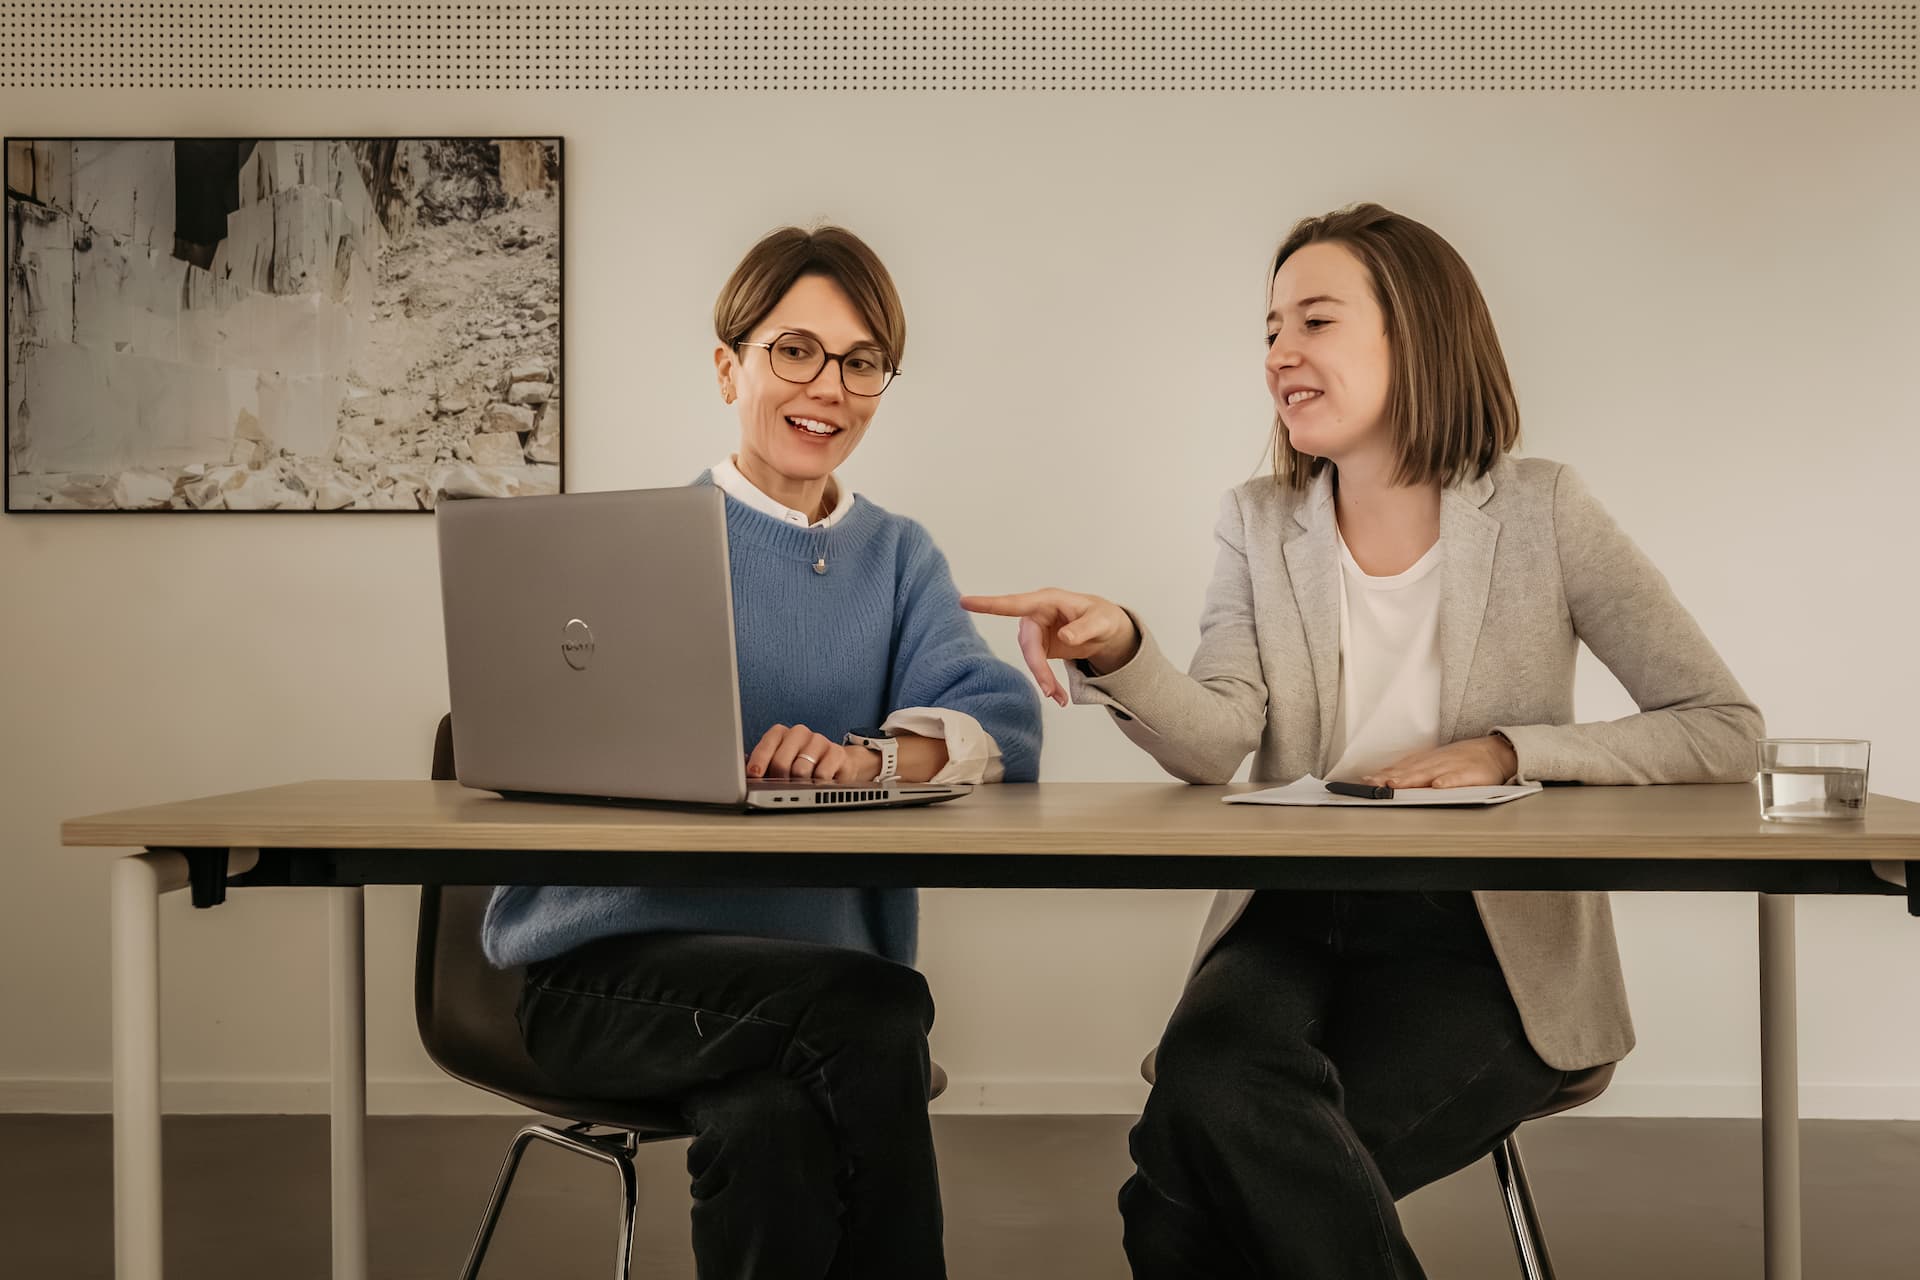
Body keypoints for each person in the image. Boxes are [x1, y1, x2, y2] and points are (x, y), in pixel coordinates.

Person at [963, 202, 1761, 1279]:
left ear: (1416, 336)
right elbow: (1218, 738)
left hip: (1483, 938)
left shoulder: (1544, 510)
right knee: (1218, 1096)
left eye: (1315, 321)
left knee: (1183, 1211)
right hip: (1292, 909)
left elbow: (1722, 727)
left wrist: (1509, 751)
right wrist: (1121, 648)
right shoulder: (1256, 520)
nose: (1280, 352)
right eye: (1270, 329)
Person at [485, 225, 1043, 1280]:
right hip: (609, 975)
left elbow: (1001, 721)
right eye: (795, 349)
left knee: (772, 1121)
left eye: (862, 360)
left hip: (807, 1006)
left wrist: (869, 759)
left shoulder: (896, 555)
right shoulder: (629, 542)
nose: (828, 385)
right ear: (728, 365)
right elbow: (527, 728)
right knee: (874, 1011)